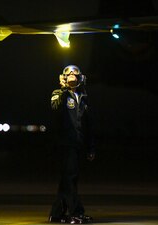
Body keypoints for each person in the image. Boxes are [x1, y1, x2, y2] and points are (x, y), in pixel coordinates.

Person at [49, 65, 96, 224]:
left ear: (81, 77)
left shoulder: (83, 98)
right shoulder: (58, 94)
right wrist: (62, 89)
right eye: (68, 73)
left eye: (75, 73)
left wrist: (90, 147)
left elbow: (88, 125)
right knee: (70, 177)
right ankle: (76, 212)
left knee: (67, 179)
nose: (71, 75)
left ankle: (56, 214)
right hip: (64, 144)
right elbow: (55, 108)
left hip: (77, 144)